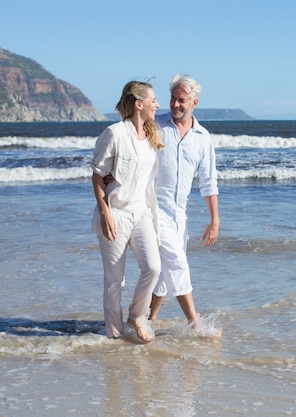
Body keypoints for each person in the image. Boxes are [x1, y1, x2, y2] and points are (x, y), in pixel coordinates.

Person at [148, 73, 220, 334]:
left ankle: (150, 318)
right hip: (153, 210)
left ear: (194, 103)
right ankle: (194, 323)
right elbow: (129, 150)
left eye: (181, 100)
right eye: (172, 99)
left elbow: (209, 181)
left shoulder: (202, 137)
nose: (175, 105)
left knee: (164, 272)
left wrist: (214, 220)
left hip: (180, 215)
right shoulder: (153, 126)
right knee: (177, 263)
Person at [91, 81, 163, 343]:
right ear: (138, 104)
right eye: (153, 100)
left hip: (142, 212)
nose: (157, 105)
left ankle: (136, 315)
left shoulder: (152, 134)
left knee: (153, 268)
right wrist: (105, 212)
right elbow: (98, 176)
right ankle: (115, 336)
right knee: (114, 282)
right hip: (116, 214)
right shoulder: (114, 133)